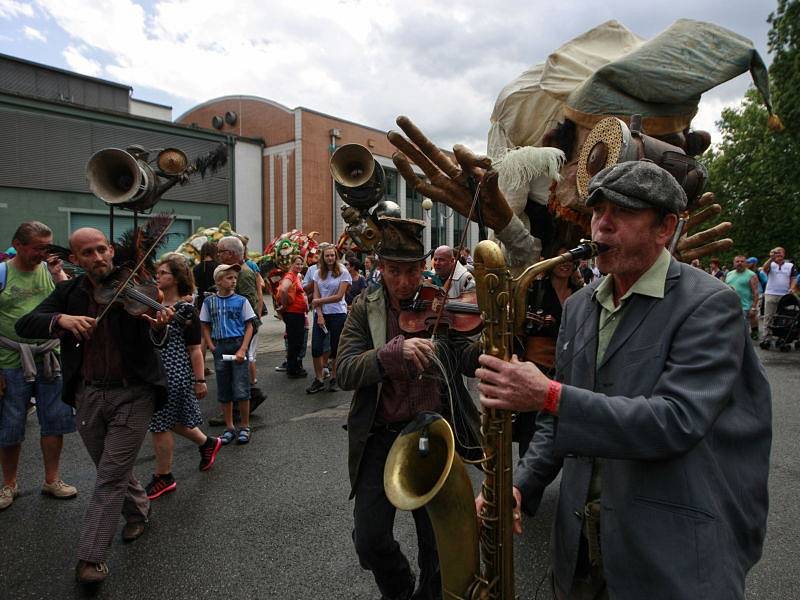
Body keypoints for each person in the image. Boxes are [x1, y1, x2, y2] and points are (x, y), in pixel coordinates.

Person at [476, 162, 771, 600]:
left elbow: (675, 421)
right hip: (580, 551)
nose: (602, 226)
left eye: (622, 213)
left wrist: (548, 393)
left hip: (668, 554)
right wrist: (520, 485)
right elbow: (556, 426)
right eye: (597, 212)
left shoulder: (711, 305)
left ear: (665, 228)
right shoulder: (578, 308)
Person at [15, 227, 174, 584]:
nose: (98, 257)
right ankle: (138, 512)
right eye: (88, 253)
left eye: (102, 249)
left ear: (111, 252)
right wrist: (61, 321)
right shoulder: (68, 292)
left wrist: (160, 325)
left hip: (134, 393)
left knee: (110, 475)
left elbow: (156, 338)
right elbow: (25, 323)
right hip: (88, 394)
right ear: (75, 260)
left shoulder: (139, 290)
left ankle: (91, 558)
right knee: (109, 466)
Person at [336, 216, 480, 600]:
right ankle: (398, 589)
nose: (404, 282)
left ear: (425, 266)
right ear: (381, 267)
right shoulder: (364, 308)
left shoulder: (440, 301)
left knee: (436, 543)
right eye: (395, 271)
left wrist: (490, 344)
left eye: (413, 271)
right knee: (369, 538)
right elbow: (344, 370)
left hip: (431, 431)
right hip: (380, 436)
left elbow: (465, 358)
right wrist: (391, 354)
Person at [0, 221, 76, 512]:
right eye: (38, 248)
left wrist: (58, 273)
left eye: (48, 247)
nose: (44, 253)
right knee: (10, 425)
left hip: (49, 357)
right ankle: (9, 484)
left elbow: (71, 301)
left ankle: (52, 479)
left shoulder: (50, 271)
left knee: (55, 421)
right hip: (10, 361)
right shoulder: (3, 273)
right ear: (18, 245)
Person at [145, 256, 222, 500]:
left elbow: (195, 349)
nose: (158, 276)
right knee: (170, 420)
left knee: (160, 423)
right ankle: (207, 443)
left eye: (164, 272)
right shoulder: (152, 304)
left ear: (177, 278)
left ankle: (163, 476)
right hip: (153, 370)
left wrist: (200, 380)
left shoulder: (186, 309)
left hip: (174, 371)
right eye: (157, 272)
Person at [514, 245, 582, 459]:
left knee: (566, 426)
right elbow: (521, 327)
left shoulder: (582, 294)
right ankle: (526, 484)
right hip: (537, 366)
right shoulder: (534, 289)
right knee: (531, 429)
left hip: (569, 369)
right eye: (560, 257)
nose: (565, 262)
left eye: (570, 258)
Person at [209, 237, 264, 424]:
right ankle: (245, 400)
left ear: (231, 254)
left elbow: (249, 302)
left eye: (221, 252)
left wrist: (247, 336)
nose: (218, 255)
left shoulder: (245, 274)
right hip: (232, 334)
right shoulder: (236, 272)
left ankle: (242, 406)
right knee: (233, 371)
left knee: (235, 372)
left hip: (239, 334)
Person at [199, 263, 256, 445]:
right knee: (224, 387)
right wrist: (211, 346)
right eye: (229, 277)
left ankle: (245, 426)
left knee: (241, 386)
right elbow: (205, 325)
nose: (233, 281)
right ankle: (229, 426)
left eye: (234, 278)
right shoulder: (209, 302)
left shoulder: (241, 301)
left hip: (237, 345)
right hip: (221, 347)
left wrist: (243, 348)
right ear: (218, 281)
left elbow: (250, 325)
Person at [308, 245, 351, 393]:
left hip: (338, 313)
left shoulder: (343, 273)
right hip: (321, 314)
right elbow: (315, 295)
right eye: (327, 256)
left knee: (335, 347)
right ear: (323, 257)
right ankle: (319, 379)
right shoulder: (318, 273)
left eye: (332, 255)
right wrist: (319, 314)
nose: (330, 258)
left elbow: (339, 297)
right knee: (316, 348)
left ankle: (334, 377)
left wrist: (319, 302)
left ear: (336, 256)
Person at [276, 255, 308, 378]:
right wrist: (284, 306)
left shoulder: (295, 276)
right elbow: (283, 289)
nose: (299, 266)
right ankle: (293, 369)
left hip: (297, 313)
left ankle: (293, 367)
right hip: (293, 313)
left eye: (301, 264)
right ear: (291, 264)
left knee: (296, 341)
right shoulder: (290, 276)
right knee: (295, 341)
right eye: (297, 264)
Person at [303, 248, 331, 384]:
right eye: (325, 254)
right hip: (318, 311)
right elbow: (305, 289)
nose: (327, 257)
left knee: (330, 343)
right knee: (317, 345)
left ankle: (325, 367)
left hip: (334, 312)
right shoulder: (312, 270)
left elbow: (341, 293)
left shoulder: (339, 270)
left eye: (331, 255)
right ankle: (319, 374)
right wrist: (314, 283)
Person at [760, 246, 797, 348]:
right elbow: (764, 268)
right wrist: (771, 258)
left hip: (785, 295)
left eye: (780, 252)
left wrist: (792, 288)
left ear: (784, 254)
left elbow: (793, 278)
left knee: (784, 317)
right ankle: (766, 338)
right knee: (768, 316)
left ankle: (782, 337)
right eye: (776, 253)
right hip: (771, 293)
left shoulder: (790, 265)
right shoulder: (771, 264)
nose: (778, 254)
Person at [192, 241, 218, 375]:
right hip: (218, 304)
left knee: (203, 337)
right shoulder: (219, 267)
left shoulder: (196, 268)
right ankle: (221, 363)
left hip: (202, 305)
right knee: (218, 336)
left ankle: (201, 368)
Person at [725, 255, 760, 339]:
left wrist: (754, 307)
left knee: (743, 328)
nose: (739, 263)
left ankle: (753, 334)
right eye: (737, 261)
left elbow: (756, 292)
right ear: (734, 263)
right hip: (731, 305)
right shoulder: (729, 274)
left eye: (742, 261)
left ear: (746, 263)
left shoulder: (751, 275)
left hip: (745, 306)